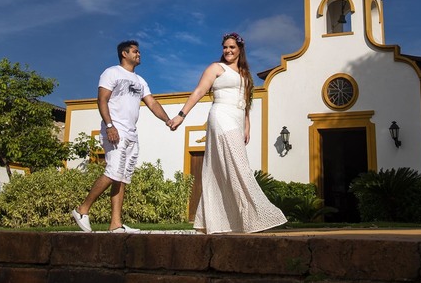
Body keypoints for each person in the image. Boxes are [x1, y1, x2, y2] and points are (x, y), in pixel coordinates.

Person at [168, 32, 286, 234]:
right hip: (221, 116)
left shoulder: (245, 74)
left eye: (232, 47)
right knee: (239, 166)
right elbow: (198, 91)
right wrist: (181, 115)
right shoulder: (216, 68)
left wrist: (247, 125)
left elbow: (246, 102)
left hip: (238, 119)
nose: (228, 51)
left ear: (240, 49)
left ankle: (216, 222)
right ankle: (258, 216)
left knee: (223, 169)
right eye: (225, 47)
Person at [71, 39, 172, 233]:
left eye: (139, 51)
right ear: (124, 54)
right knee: (113, 171)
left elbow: (152, 103)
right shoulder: (111, 73)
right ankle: (82, 209)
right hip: (115, 129)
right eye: (135, 51)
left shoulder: (140, 81)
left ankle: (115, 224)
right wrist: (109, 125)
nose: (139, 54)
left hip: (131, 133)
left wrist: (167, 120)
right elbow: (102, 99)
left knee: (122, 177)